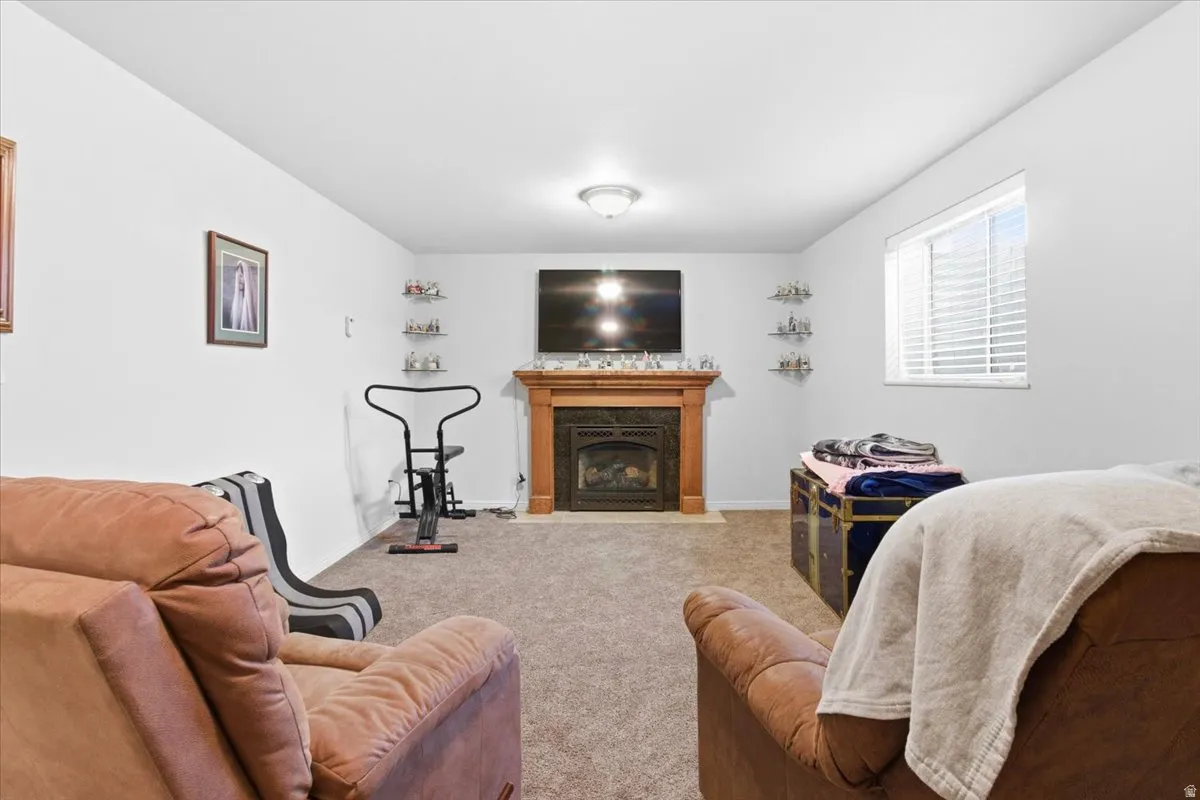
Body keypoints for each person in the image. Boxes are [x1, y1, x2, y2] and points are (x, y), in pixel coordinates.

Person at [229, 260, 257, 332]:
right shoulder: (238, 301)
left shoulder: (253, 298)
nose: (238, 279)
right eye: (238, 275)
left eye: (241, 276)